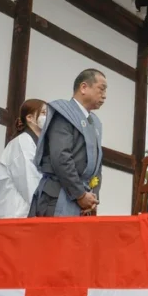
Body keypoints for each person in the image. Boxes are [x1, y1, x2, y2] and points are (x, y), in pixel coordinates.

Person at [29, 69, 106, 217]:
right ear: (84, 87)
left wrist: (92, 198)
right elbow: (61, 158)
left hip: (85, 200)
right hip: (58, 195)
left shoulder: (95, 122)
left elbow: (97, 166)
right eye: (101, 89)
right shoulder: (63, 114)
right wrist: (80, 195)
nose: (104, 95)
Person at [0, 98, 46, 218]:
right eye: (43, 113)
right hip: (17, 214)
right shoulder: (22, 143)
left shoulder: (36, 143)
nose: (47, 117)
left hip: (27, 213)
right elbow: (29, 181)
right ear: (30, 118)